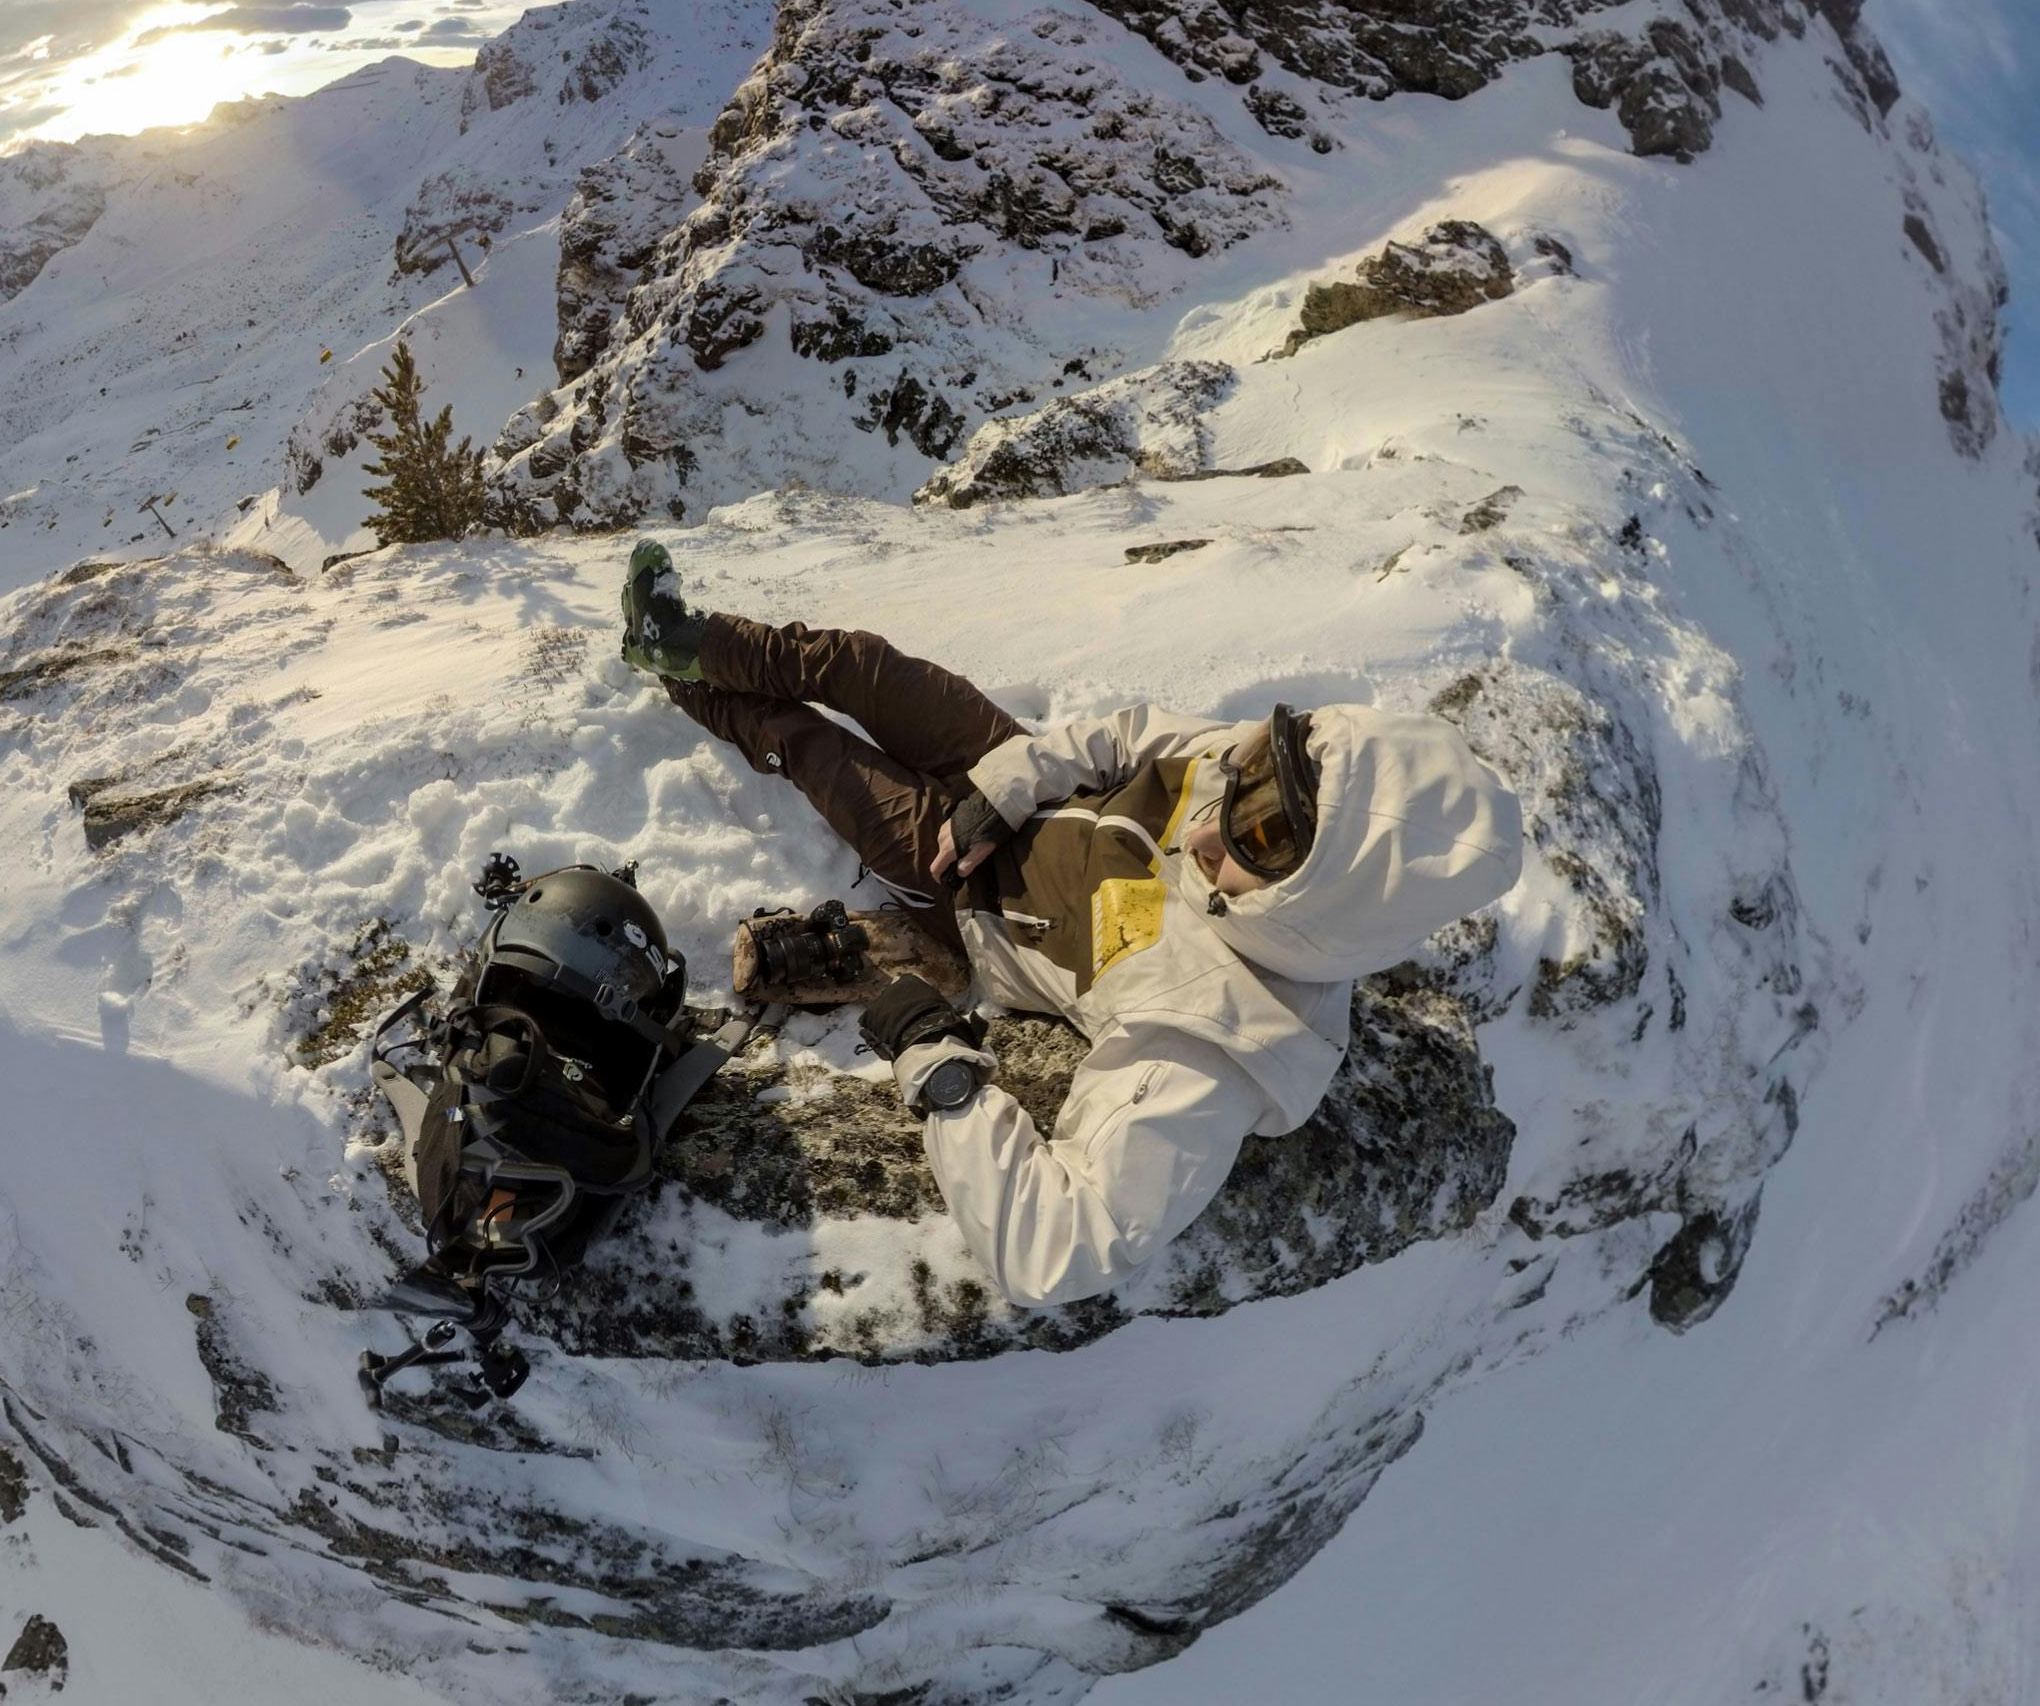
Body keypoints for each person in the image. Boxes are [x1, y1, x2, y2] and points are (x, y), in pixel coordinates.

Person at [618, 541, 1525, 1307]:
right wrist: (1008, 786)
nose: (1210, 828)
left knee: (807, 744)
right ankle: (678, 641)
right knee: (855, 662)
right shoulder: (1285, 780)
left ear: (1326, 903)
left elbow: (1059, 1252)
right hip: (1009, 779)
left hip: (962, 892)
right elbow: (1127, 738)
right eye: (1249, 787)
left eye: (1257, 841)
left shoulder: (1223, 1031)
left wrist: (938, 1062)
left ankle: (683, 686)